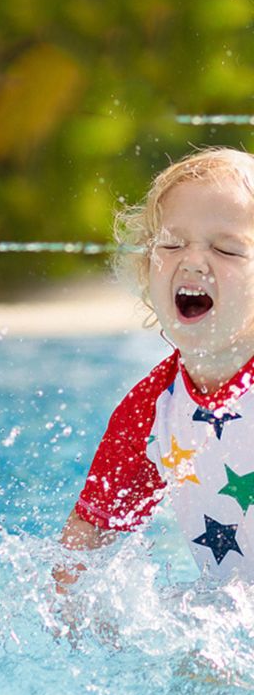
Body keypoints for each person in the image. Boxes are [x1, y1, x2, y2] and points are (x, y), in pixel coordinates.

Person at [56, 146, 254, 588]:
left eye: (226, 249)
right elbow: (79, 555)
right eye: (171, 243)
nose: (193, 260)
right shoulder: (154, 410)